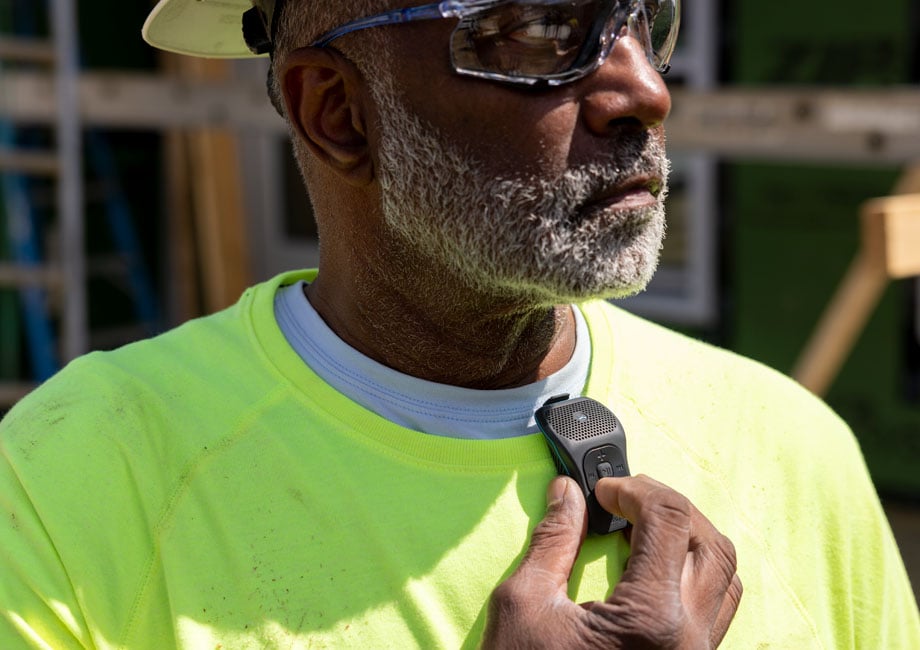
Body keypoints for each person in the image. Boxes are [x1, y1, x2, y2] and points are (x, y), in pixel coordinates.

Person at [1, 0, 917, 647]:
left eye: (646, 20)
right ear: (339, 113)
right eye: (542, 28)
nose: (643, 89)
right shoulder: (74, 481)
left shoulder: (793, 447)